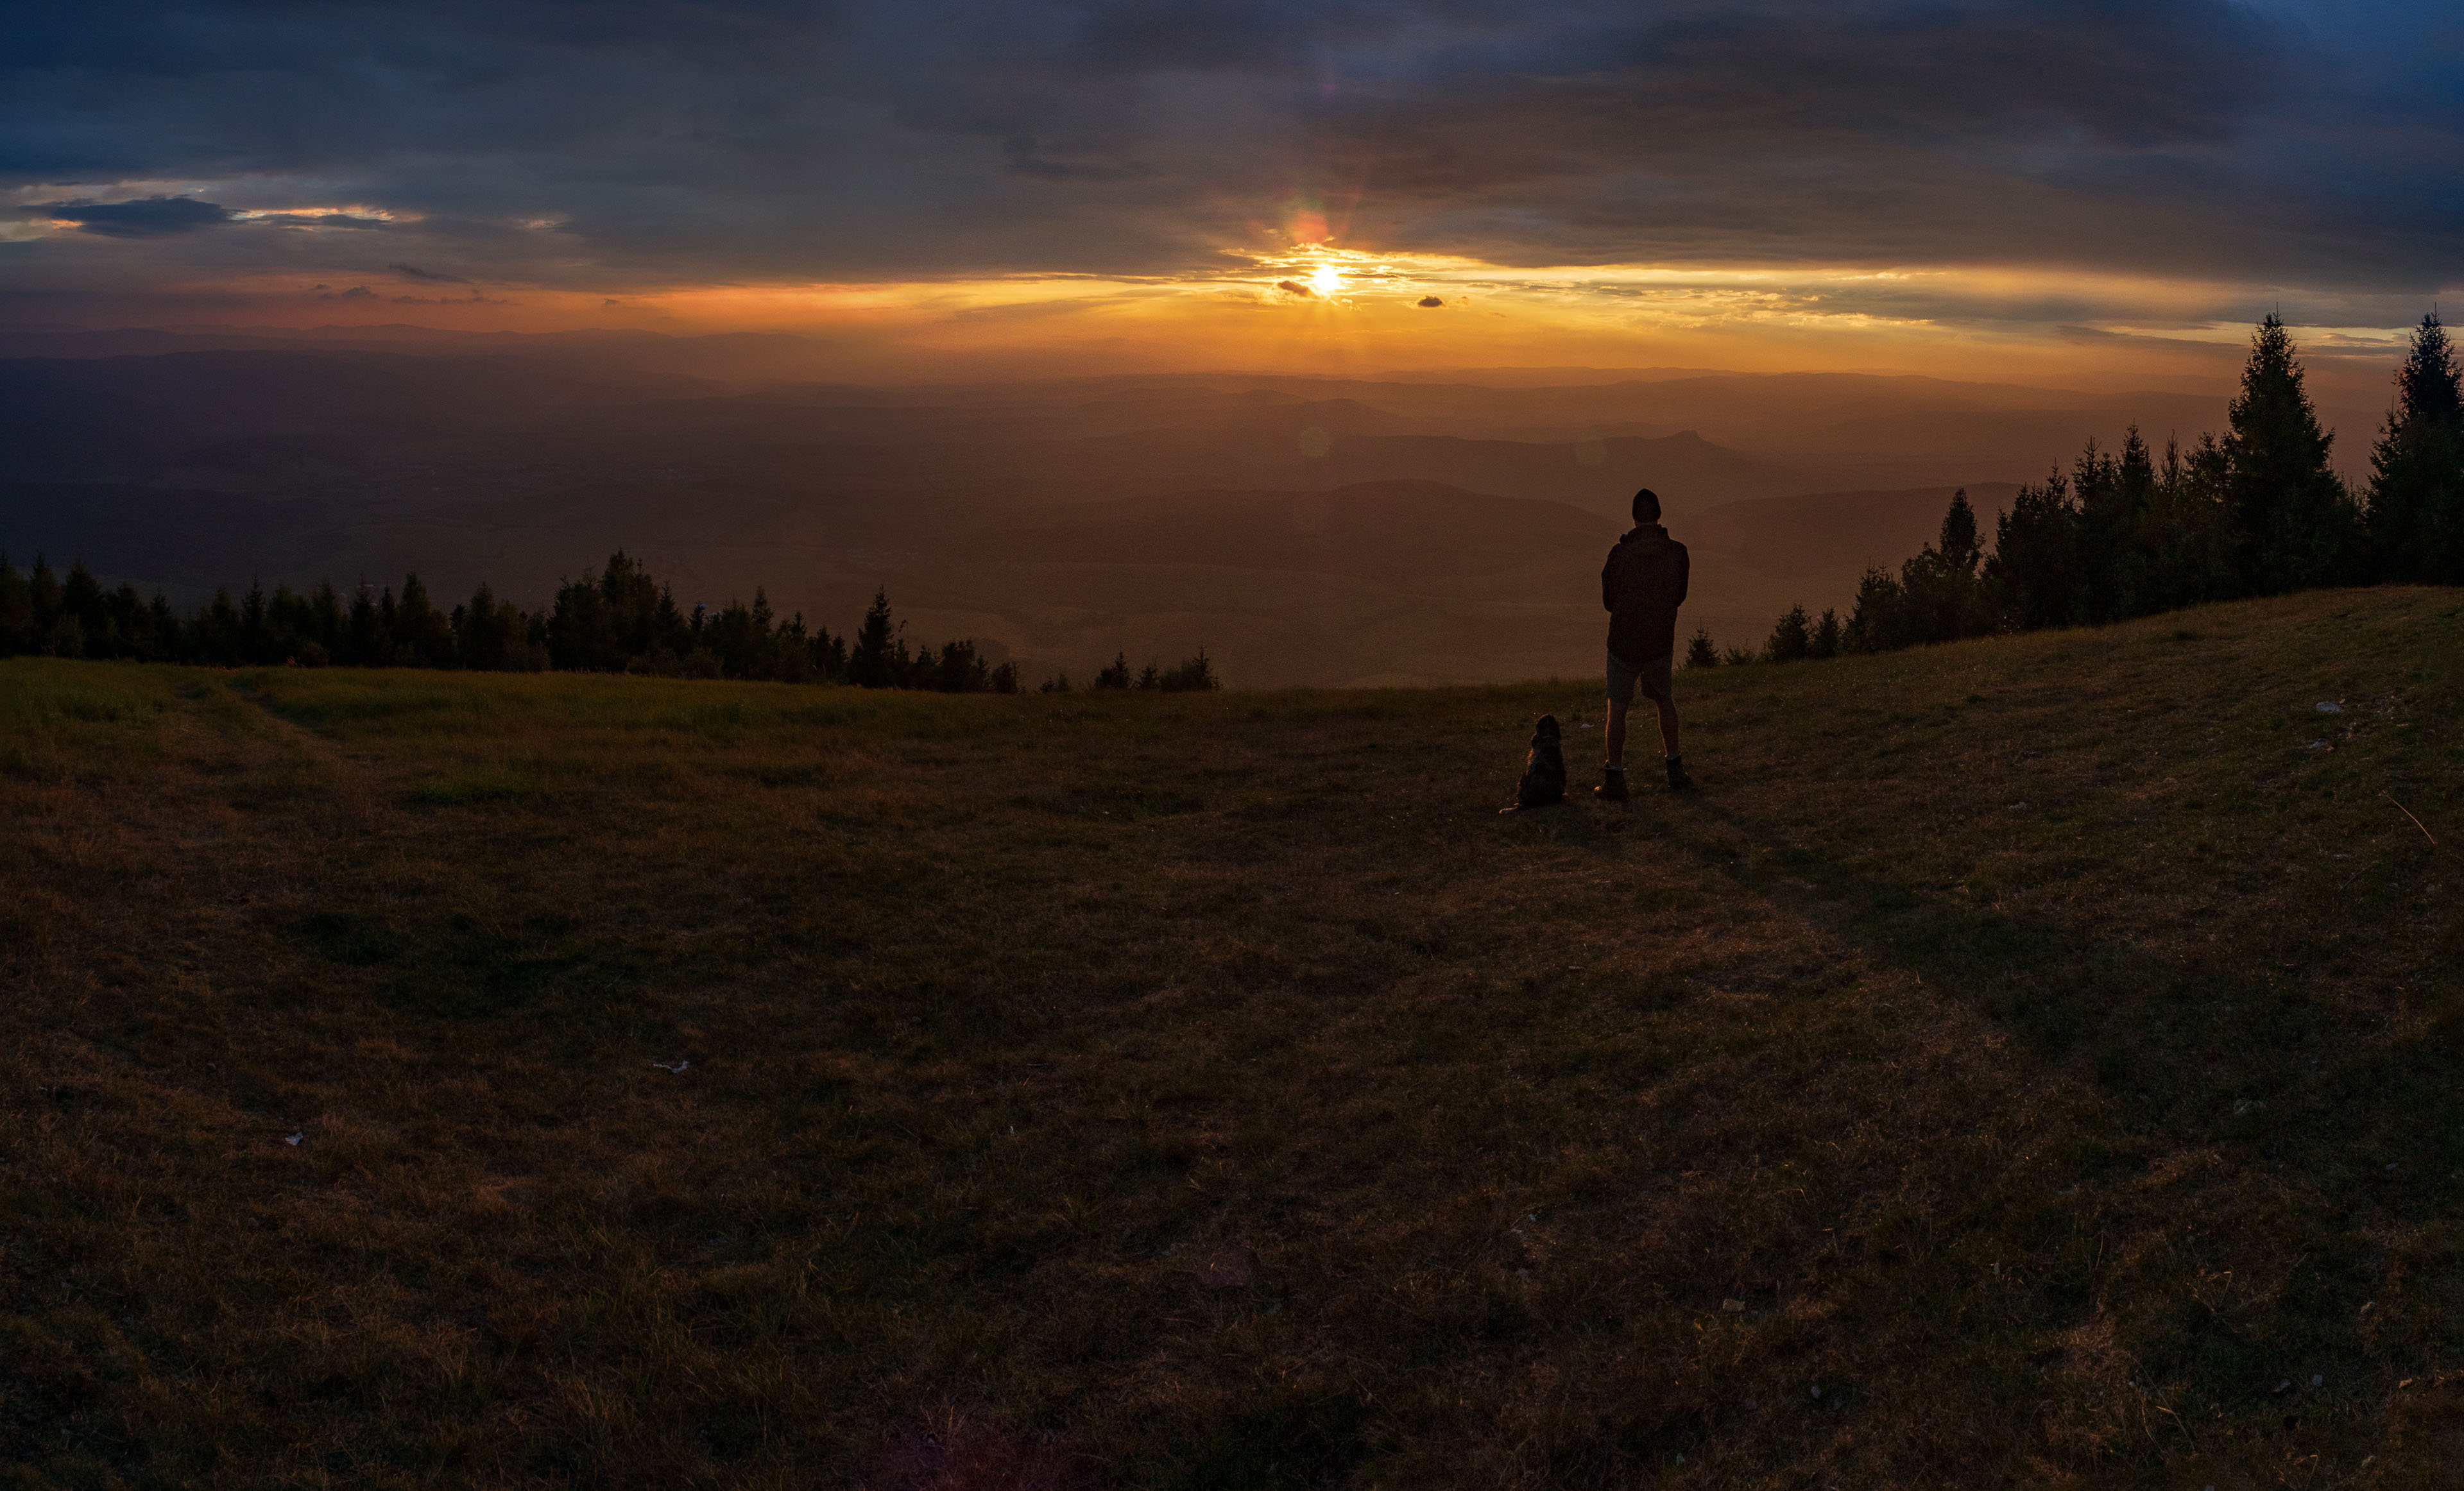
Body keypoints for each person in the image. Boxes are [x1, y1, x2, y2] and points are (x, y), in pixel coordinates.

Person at [1597, 487, 1692, 799]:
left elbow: (1608, 601)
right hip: (1659, 641)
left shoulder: (1620, 554)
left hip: (1624, 641)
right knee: (1664, 700)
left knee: (1618, 708)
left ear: (1634, 517)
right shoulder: (1677, 553)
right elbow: (1679, 596)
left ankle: (1615, 777)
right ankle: (1675, 768)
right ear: (1659, 515)